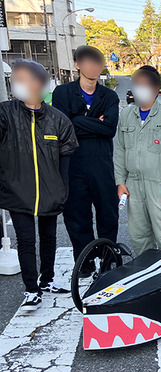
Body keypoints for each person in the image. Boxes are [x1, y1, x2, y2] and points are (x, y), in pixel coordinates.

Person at [0, 60, 78, 309]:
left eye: (22, 79)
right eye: (15, 79)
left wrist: (63, 190)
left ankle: (47, 280)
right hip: (16, 189)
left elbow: (66, 158)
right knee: (25, 240)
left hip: (50, 190)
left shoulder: (58, 120)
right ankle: (31, 289)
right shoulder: (5, 114)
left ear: (38, 83)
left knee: (49, 237)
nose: (16, 84)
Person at [52, 46, 120, 263]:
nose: (92, 66)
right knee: (77, 217)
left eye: (97, 62)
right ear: (77, 65)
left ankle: (108, 259)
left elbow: (109, 129)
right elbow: (63, 128)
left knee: (108, 216)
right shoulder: (62, 93)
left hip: (102, 165)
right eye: (87, 62)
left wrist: (78, 120)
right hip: (73, 165)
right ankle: (85, 261)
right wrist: (94, 122)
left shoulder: (109, 96)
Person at [114, 66, 161, 255]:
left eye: (144, 85)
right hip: (134, 186)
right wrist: (120, 182)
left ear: (155, 90)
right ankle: (147, 275)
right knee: (139, 236)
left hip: (160, 186)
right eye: (137, 84)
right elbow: (120, 149)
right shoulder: (127, 116)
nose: (140, 89)